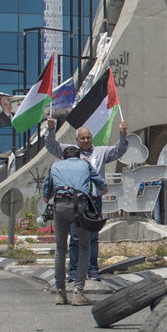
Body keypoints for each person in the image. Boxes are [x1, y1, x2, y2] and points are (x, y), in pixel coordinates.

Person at [42, 115, 133, 301]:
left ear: (92, 138)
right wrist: (50, 130)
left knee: (91, 238)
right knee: (76, 240)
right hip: (79, 203)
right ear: (76, 141)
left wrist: (123, 135)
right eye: (82, 138)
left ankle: (92, 270)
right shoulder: (71, 154)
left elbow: (119, 151)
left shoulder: (99, 153)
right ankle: (74, 274)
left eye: (88, 137)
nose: (85, 141)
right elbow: (51, 146)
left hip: (91, 201)